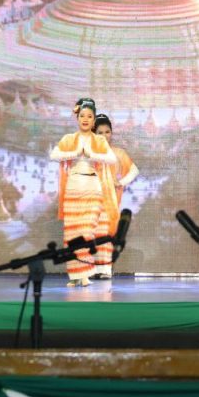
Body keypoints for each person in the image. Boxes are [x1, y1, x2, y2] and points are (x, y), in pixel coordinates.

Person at [50, 98, 118, 287]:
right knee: (72, 232)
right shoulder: (69, 139)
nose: (85, 119)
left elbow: (111, 159)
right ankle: (75, 275)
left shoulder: (99, 140)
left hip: (92, 187)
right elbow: (54, 155)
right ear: (77, 118)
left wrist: (91, 155)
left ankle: (85, 273)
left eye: (89, 116)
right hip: (74, 186)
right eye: (82, 116)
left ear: (94, 120)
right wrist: (74, 154)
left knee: (87, 231)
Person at [92, 113, 139, 279]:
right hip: (91, 198)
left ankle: (105, 268)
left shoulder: (118, 153)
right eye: (100, 132)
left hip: (110, 199)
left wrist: (121, 182)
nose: (104, 135)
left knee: (105, 230)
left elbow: (134, 170)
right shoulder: (89, 154)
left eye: (107, 132)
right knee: (91, 232)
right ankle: (92, 268)